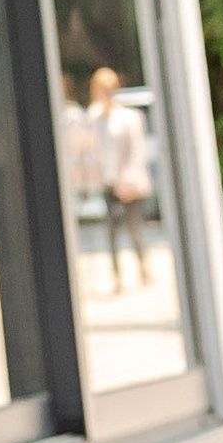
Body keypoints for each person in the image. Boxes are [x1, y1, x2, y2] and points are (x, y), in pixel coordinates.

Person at [88, 67, 154, 287]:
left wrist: (127, 182)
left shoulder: (128, 117)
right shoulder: (94, 117)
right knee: (112, 231)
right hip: (108, 183)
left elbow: (137, 152)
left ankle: (143, 266)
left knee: (135, 227)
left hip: (130, 184)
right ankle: (117, 275)